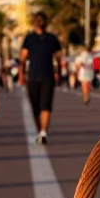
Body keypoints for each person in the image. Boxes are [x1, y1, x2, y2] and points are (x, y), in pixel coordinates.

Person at [19, 12, 62, 144]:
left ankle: (44, 132)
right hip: (33, 77)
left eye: (42, 20)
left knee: (46, 105)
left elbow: (57, 58)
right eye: (38, 20)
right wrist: (21, 74)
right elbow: (23, 58)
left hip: (48, 76)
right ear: (34, 22)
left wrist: (57, 72)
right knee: (36, 107)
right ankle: (40, 131)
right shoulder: (29, 38)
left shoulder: (52, 39)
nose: (40, 23)